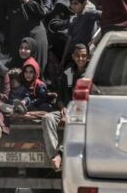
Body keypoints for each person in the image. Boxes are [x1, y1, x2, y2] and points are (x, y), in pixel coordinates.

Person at [42, 43, 89, 171]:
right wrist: (63, 108)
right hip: (66, 110)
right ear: (73, 56)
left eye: (83, 56)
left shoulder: (90, 74)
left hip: (83, 112)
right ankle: (55, 155)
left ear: (88, 57)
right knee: (47, 118)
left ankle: (61, 154)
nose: (80, 59)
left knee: (75, 122)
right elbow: (60, 96)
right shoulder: (68, 73)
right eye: (78, 56)